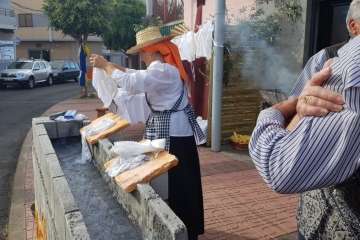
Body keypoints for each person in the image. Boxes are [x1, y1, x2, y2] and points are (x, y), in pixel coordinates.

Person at [249, 1, 360, 239]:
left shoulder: (347, 68)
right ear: (354, 26)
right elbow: (295, 122)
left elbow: (280, 167)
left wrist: (277, 111)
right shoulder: (324, 59)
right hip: (312, 216)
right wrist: (299, 109)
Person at [90, 26, 205, 240]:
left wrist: (106, 65)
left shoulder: (162, 71)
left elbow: (132, 82)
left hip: (176, 136)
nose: (141, 56)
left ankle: (185, 228)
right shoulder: (164, 70)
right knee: (178, 182)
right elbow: (134, 74)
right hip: (174, 133)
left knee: (179, 184)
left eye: (142, 51)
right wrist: (109, 67)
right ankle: (184, 226)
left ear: (152, 50)